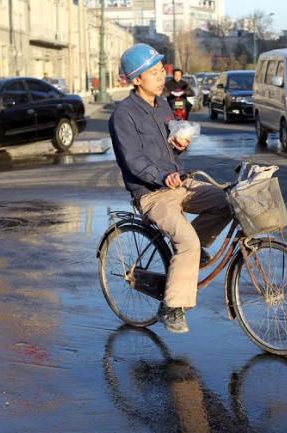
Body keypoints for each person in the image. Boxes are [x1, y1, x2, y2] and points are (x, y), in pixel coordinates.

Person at [108, 44, 232, 334]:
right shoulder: (123, 115)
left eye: (160, 70)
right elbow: (134, 161)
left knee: (227, 201)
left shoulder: (163, 105)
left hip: (177, 182)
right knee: (186, 243)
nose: (160, 76)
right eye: (153, 72)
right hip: (151, 194)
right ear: (137, 79)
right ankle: (172, 307)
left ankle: (193, 249)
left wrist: (178, 144)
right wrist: (163, 176)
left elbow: (169, 148)